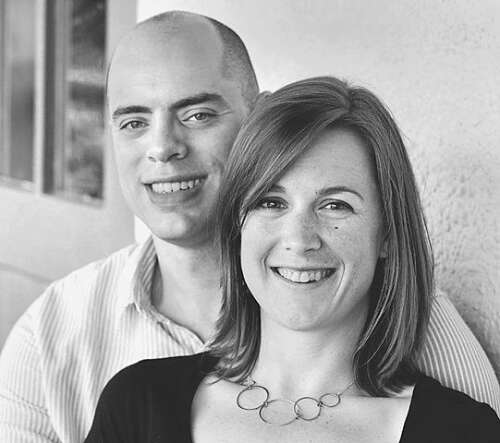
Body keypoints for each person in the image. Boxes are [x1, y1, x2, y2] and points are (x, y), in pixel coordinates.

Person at [0, 11, 498, 443]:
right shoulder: (65, 342)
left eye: (197, 114)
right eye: (271, 202)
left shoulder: (435, 358)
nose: (163, 148)